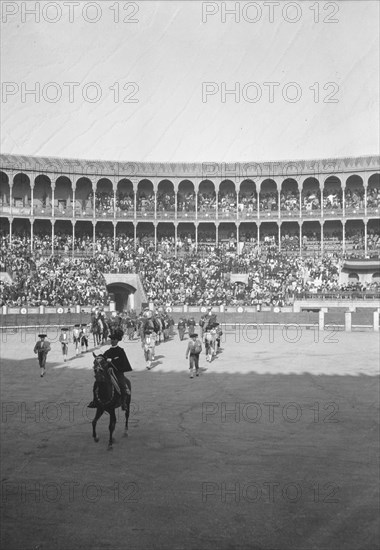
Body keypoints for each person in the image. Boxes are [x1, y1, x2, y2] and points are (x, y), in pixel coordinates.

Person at [88, 328, 132, 410]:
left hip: (118, 372)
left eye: (113, 339)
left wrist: (113, 360)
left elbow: (122, 361)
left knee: (122, 384)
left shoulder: (120, 351)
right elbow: (103, 357)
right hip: (108, 372)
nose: (112, 341)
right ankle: (95, 401)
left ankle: (123, 403)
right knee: (97, 383)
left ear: (117, 341)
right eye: (111, 339)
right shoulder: (108, 351)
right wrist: (99, 357)